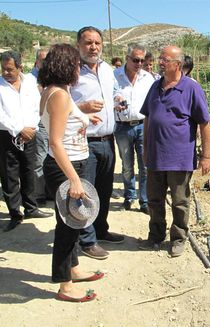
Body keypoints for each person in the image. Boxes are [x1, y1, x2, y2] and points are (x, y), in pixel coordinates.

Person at [38, 43, 103, 303]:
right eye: (76, 64)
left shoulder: (55, 91)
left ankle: (73, 269)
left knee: (74, 223)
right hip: (66, 168)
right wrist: (74, 179)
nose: (79, 68)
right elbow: (55, 142)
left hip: (69, 164)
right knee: (67, 226)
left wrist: (86, 119)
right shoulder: (60, 95)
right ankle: (64, 285)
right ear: (67, 65)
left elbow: (64, 125)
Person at [140, 45, 210, 257]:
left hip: (179, 158)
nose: (160, 62)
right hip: (155, 155)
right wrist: (146, 149)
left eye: (165, 59)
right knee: (154, 199)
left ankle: (179, 238)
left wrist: (206, 156)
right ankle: (155, 236)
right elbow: (148, 119)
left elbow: (204, 124)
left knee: (180, 201)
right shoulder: (155, 87)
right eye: (160, 58)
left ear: (177, 64)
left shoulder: (191, 88)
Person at [70, 26, 124, 260]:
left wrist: (118, 98)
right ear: (78, 46)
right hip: (84, 142)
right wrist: (82, 108)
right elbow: (56, 103)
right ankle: (87, 239)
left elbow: (114, 91)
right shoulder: (71, 71)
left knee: (103, 189)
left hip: (107, 140)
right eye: (88, 43)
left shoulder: (107, 69)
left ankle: (100, 229)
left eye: (97, 43)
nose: (93, 47)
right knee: (86, 192)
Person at [0, 51, 52, 231]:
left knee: (28, 171)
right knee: (10, 176)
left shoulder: (30, 82)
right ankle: (15, 213)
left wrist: (30, 128)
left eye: (10, 69)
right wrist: (19, 129)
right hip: (6, 136)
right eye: (3, 69)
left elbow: (36, 106)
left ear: (19, 67)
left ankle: (31, 208)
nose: (6, 73)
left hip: (29, 134)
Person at [114, 44, 159, 214]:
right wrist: (115, 102)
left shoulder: (148, 78)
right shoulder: (114, 76)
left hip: (143, 125)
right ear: (127, 58)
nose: (139, 63)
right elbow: (109, 97)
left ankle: (144, 200)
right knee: (126, 165)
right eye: (136, 60)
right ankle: (129, 195)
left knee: (145, 165)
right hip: (122, 127)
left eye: (142, 60)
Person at [28, 48, 50, 205]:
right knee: (40, 157)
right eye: (43, 60)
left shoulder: (49, 76)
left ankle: (48, 189)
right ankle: (39, 193)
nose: (46, 63)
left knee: (52, 156)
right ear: (37, 61)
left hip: (52, 119)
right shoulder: (30, 79)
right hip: (39, 121)